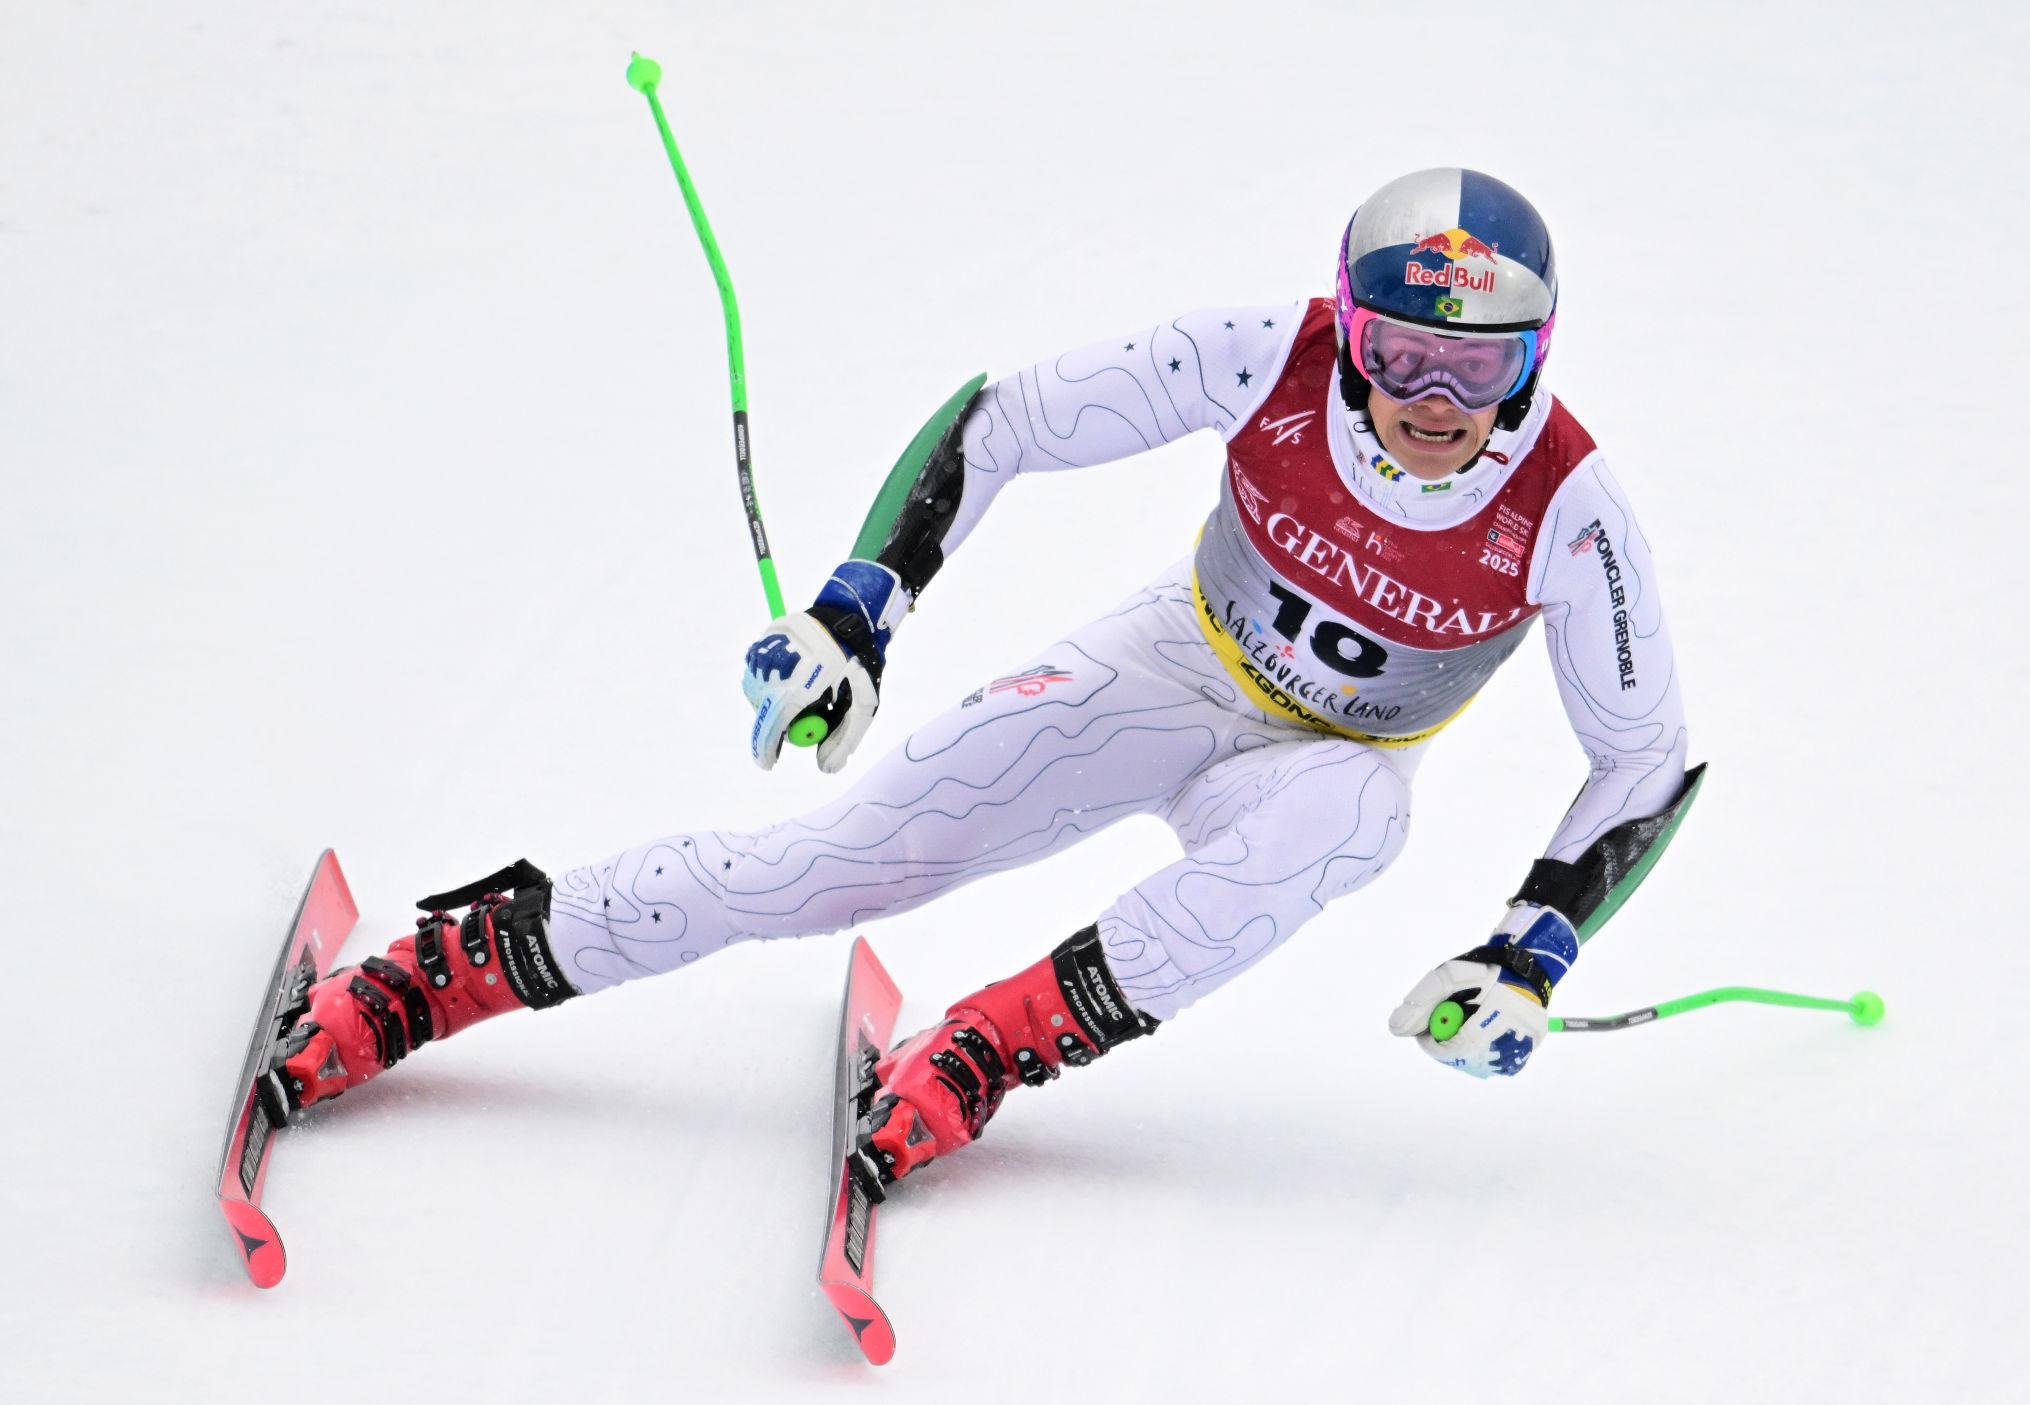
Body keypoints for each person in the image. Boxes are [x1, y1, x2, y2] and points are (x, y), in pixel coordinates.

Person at [280, 167, 1700, 1196]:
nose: (1434, 403)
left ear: (1535, 359)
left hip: (1326, 761)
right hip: (1174, 667)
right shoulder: (1271, 356)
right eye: (1401, 353)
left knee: (1357, 821)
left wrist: (1529, 951)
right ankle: (448, 969)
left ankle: (986, 1049)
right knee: (826, 872)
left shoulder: (1570, 510)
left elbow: (1644, 756)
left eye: (1477, 366)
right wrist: (860, 609)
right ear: (1349, 324)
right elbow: (1006, 419)